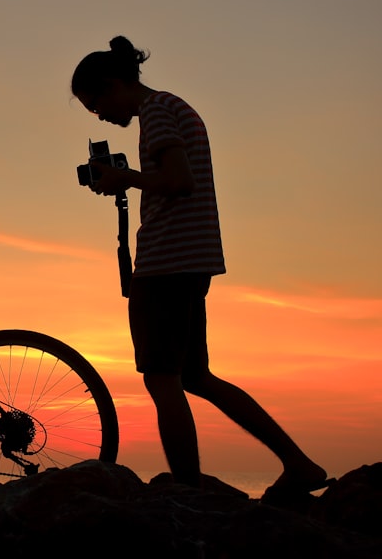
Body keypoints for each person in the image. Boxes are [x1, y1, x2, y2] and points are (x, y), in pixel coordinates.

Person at [71, 35, 328, 496]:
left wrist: (124, 177)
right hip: (191, 258)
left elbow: (178, 181)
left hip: (169, 260)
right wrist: (130, 182)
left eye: (95, 105)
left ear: (112, 84)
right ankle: (299, 463)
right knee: (194, 376)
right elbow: (175, 180)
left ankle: (186, 490)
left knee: (161, 377)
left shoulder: (157, 112)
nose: (100, 116)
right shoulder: (172, 108)